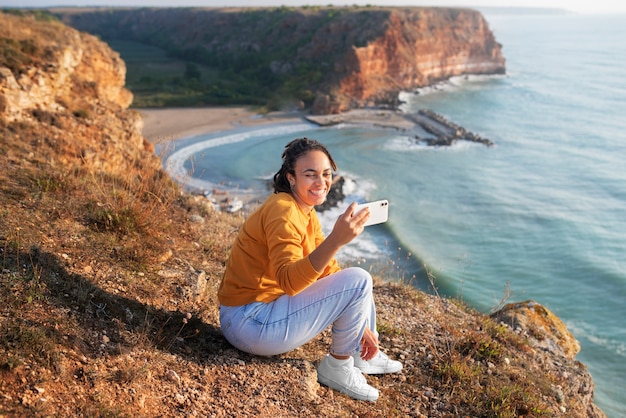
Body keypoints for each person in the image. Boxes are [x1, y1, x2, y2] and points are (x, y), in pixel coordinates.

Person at [218, 137, 402, 402]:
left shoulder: (304, 210)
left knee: (353, 280)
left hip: (260, 313)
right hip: (249, 323)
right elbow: (289, 282)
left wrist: (360, 325)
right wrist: (336, 239)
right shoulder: (283, 212)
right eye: (310, 174)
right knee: (358, 279)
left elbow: (329, 272)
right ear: (291, 177)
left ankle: (363, 355)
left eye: (326, 174)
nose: (321, 182)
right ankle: (336, 368)